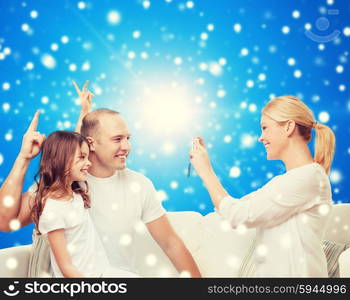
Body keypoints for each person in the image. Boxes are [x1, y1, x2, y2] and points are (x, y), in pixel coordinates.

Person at [0, 81, 201, 278]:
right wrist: (23, 158)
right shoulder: (61, 186)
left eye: (127, 138)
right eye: (117, 139)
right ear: (91, 144)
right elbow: (6, 222)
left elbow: (170, 243)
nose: (127, 147)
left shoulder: (139, 185)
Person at [189, 95, 335, 277]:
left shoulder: (308, 177)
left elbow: (238, 215)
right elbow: (232, 209)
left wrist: (206, 172)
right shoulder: (286, 182)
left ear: (288, 127)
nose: (261, 138)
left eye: (265, 128)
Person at [31, 130, 138, 277]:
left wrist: (84, 111)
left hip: (102, 273)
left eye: (87, 156)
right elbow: (66, 267)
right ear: (61, 159)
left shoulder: (76, 192)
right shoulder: (53, 210)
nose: (89, 162)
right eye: (82, 157)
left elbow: (73, 144)